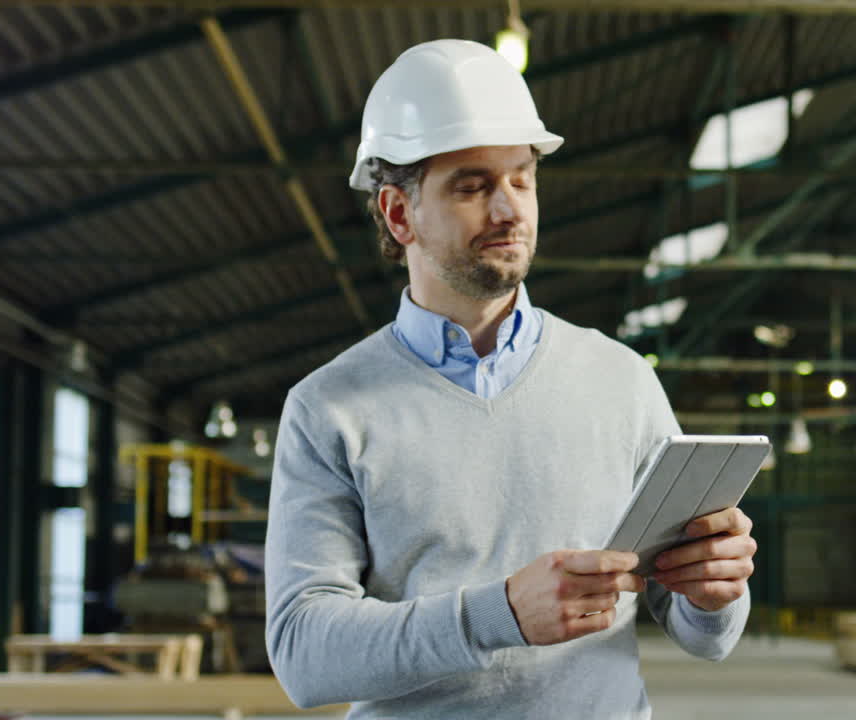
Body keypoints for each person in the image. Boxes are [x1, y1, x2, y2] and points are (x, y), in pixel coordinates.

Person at [265, 39, 756, 718]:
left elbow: (703, 634)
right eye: (472, 186)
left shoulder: (621, 380)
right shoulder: (329, 409)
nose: (508, 211)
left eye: (522, 179)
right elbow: (302, 654)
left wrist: (713, 594)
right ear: (399, 214)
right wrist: (496, 616)